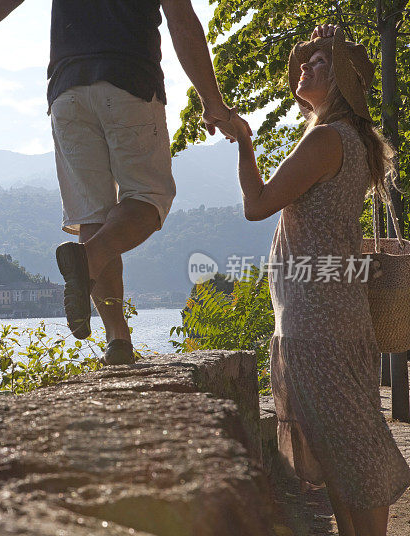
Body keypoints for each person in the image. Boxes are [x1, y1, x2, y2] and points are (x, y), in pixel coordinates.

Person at [0, 0, 248, 365]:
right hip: (127, 80)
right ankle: (87, 262)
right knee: (149, 199)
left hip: (66, 94)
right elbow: (183, 23)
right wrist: (211, 101)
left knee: (93, 216)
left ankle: (118, 340)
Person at [220, 24, 410, 536]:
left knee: (352, 447)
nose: (305, 66)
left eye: (322, 62)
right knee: (342, 447)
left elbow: (257, 206)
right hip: (330, 315)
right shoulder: (347, 140)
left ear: (344, 84)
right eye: (307, 60)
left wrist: (244, 142)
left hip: (317, 322)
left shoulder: (328, 139)